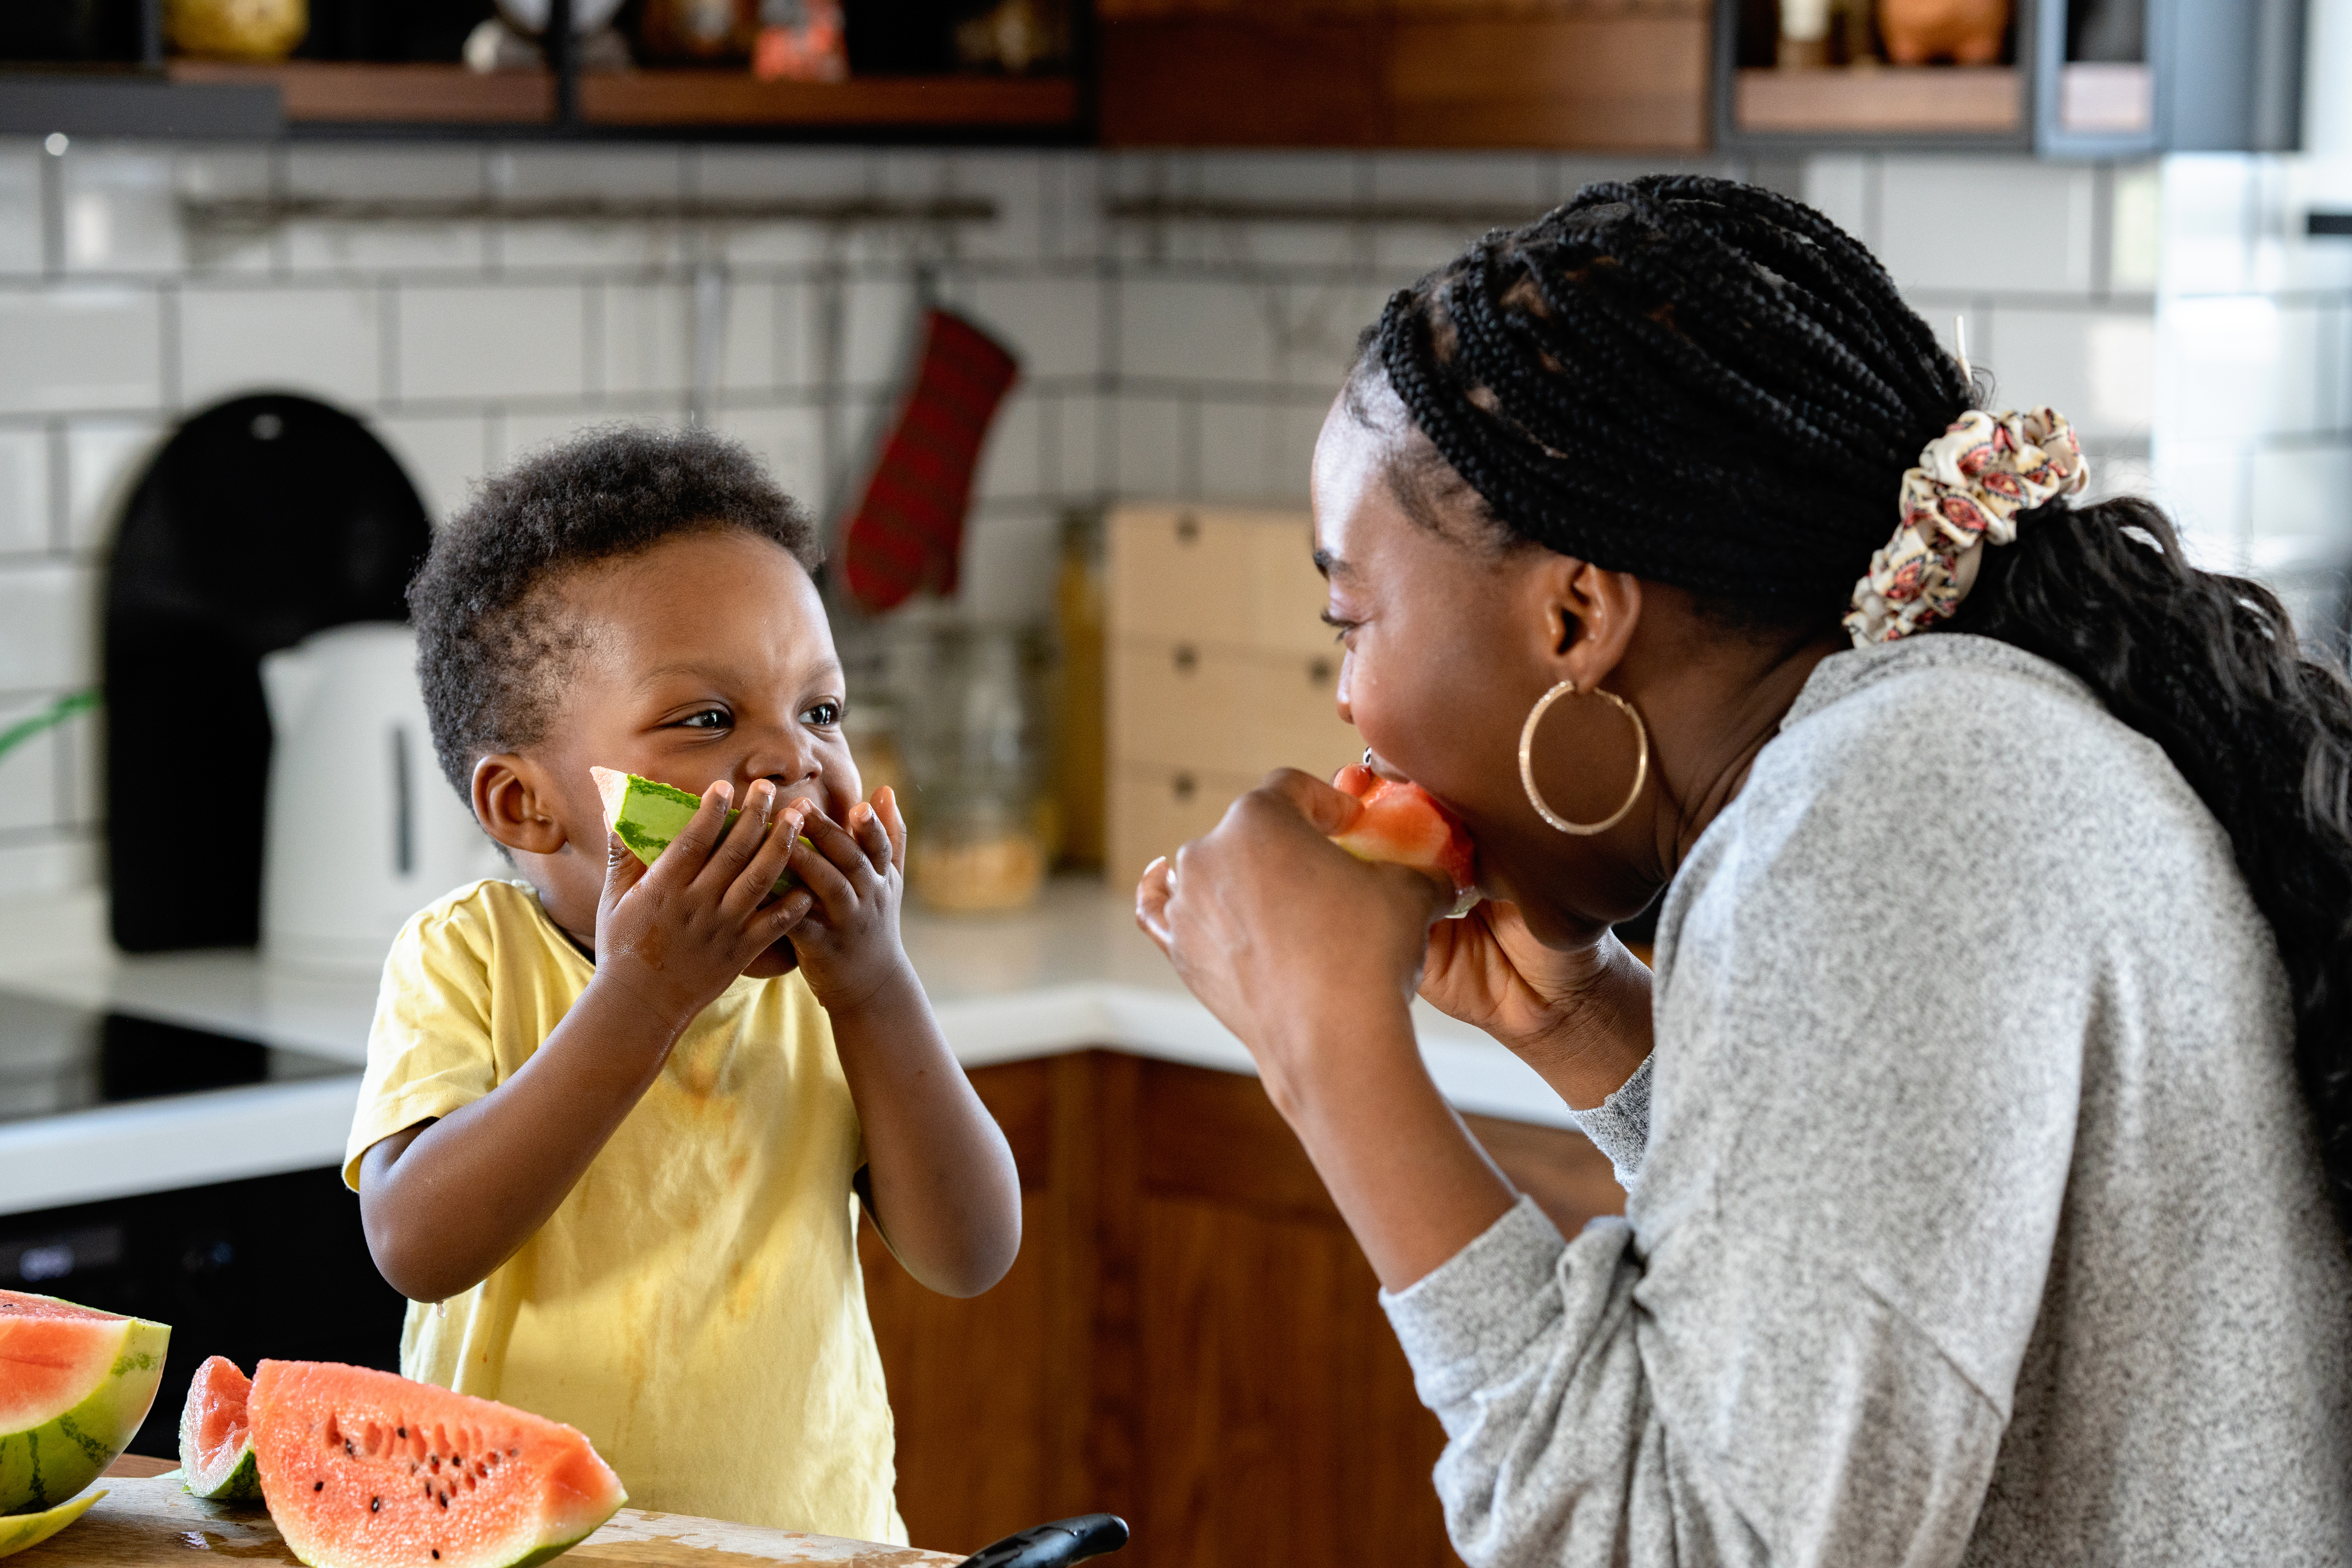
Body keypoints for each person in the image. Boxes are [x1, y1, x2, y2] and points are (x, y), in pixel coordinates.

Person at [1136, 176, 2352, 1563]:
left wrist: (1327, 1048)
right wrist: (1583, 1023)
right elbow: (1862, 1313)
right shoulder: (1932, 754)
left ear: (1575, 614)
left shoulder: (1893, 805)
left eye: (1349, 618)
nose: (1347, 701)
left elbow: (1695, 1536)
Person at [347, 427, 1022, 1541]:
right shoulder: (465, 952)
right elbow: (417, 1244)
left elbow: (969, 1253)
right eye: (708, 719)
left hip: (809, 1547)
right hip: (521, 1549)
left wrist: (876, 988)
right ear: (526, 805)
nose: (792, 760)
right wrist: (641, 998)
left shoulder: (830, 983)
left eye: (818, 709)